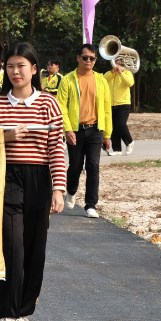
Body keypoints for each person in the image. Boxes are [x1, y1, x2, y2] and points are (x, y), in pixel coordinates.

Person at [0, 43, 66, 321]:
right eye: (11, 66)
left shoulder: (49, 104)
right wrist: (5, 136)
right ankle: (7, 317)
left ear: (34, 69)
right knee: (12, 247)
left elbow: (56, 147)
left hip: (40, 179)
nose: (16, 72)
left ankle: (24, 314)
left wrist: (58, 188)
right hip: (5, 179)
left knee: (34, 249)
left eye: (22, 66)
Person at [56, 44, 112, 218]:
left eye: (92, 58)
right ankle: (71, 192)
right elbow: (61, 106)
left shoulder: (101, 80)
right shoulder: (68, 79)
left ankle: (90, 205)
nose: (89, 61)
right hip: (76, 130)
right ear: (78, 58)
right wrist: (67, 129)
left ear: (96, 60)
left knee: (93, 167)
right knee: (75, 166)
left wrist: (107, 134)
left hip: (96, 129)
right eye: (85, 57)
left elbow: (107, 108)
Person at [104, 58, 135, 156]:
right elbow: (102, 81)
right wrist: (111, 72)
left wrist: (121, 72)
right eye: (115, 62)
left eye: (118, 62)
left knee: (121, 125)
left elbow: (130, 83)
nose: (116, 64)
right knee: (112, 127)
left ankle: (129, 142)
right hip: (111, 104)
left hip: (123, 103)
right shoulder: (110, 74)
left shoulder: (127, 73)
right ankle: (117, 149)